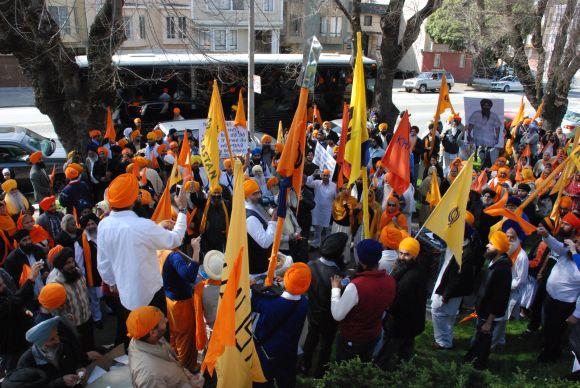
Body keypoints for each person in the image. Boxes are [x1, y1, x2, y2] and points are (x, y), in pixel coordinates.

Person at [97, 173, 188, 314]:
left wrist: (112, 283)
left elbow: (103, 263)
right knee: (157, 333)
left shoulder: (104, 224)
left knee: (134, 331)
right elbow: (175, 239)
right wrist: (182, 209)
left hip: (124, 296)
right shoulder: (142, 226)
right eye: (138, 193)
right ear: (133, 200)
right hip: (150, 296)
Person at [330, 239, 396, 362]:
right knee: (363, 367)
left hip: (353, 338)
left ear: (360, 259)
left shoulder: (356, 286)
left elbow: (337, 315)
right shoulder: (390, 281)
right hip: (373, 335)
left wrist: (335, 290)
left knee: (345, 370)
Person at [253, 263, 311, 388]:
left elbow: (254, 301)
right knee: (286, 381)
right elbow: (292, 296)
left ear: (286, 279)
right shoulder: (304, 303)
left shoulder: (268, 303)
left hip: (265, 353)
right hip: (288, 353)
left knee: (262, 382)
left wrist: (252, 286)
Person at [464, 231, 512, 369]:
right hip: (484, 311)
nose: (487, 245)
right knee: (478, 339)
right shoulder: (494, 261)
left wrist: (489, 321)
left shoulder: (502, 269)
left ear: (498, 248)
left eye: (491, 244)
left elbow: (499, 298)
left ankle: (477, 366)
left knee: (482, 342)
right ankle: (472, 362)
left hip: (489, 315)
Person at [376, 237, 427, 368]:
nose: (403, 257)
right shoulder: (412, 268)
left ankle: (382, 372)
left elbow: (398, 301)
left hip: (401, 322)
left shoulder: (411, 277)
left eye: (407, 254)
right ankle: (404, 369)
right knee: (406, 349)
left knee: (389, 350)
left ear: (415, 255)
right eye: (401, 253)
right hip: (411, 321)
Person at [302, 233, 348, 377]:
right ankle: (320, 372)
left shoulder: (311, 265)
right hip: (329, 315)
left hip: (313, 311)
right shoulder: (337, 274)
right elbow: (341, 293)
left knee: (311, 337)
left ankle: (304, 365)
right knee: (326, 344)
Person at [127, 306, 204, 388]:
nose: (166, 320)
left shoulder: (147, 338)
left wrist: (188, 376)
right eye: (162, 321)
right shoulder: (151, 377)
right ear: (153, 333)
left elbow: (172, 361)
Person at [537, 222, 580, 363]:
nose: (576, 245)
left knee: (555, 329)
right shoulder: (566, 253)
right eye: (576, 243)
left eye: (579, 244)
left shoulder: (575, 257)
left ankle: (549, 355)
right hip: (550, 296)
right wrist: (546, 235)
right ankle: (551, 348)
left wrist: (574, 251)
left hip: (564, 303)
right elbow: (555, 245)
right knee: (548, 325)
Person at [159, 233, 201, 373]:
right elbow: (189, 276)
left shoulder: (159, 251)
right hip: (181, 302)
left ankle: (175, 362)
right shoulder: (173, 256)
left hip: (169, 299)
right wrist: (196, 250)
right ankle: (186, 369)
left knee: (175, 334)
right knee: (185, 337)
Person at [17, 317, 89, 387]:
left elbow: (76, 361)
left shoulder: (64, 343)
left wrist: (79, 369)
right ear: (41, 343)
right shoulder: (26, 362)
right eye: (52, 339)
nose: (58, 340)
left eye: (57, 335)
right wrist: (60, 382)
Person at [47, 247, 94, 352]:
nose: (72, 264)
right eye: (68, 263)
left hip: (86, 320)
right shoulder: (54, 282)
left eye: (72, 261)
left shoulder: (77, 272)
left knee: (91, 350)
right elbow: (54, 310)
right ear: (60, 265)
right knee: (79, 354)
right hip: (71, 328)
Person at [0, 262, 42, 373]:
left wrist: (24, 310)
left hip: (21, 338)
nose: (4, 286)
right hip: (10, 347)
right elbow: (14, 302)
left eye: (3, 283)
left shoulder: (4, 292)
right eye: (0, 285)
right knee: (18, 372)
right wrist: (31, 280)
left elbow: (14, 302)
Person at [492, 220, 529, 347]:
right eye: (506, 236)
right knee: (497, 315)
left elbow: (521, 280)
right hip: (500, 290)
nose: (509, 239)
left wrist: (505, 286)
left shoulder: (522, 257)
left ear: (518, 237)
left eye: (512, 237)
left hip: (510, 292)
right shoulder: (505, 251)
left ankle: (498, 341)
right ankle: (499, 339)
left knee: (502, 318)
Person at [74, 213, 103, 329]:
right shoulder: (80, 242)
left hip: (104, 271)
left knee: (105, 295)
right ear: (84, 227)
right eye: (88, 224)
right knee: (94, 298)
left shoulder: (101, 235)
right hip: (92, 274)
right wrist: (84, 278)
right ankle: (97, 318)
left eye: (93, 223)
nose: (91, 226)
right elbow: (79, 262)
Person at [244, 179, 276, 277]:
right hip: (258, 269)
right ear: (246, 197)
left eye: (259, 192)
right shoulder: (250, 218)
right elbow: (265, 242)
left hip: (263, 263)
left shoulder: (254, 206)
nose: (259, 196)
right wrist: (273, 221)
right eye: (254, 194)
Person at [4, 229, 47, 296]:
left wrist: (45, 272)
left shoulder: (38, 250)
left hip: (45, 289)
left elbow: (45, 265)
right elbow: (14, 283)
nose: (28, 242)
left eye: (29, 238)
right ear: (19, 243)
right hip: (29, 296)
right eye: (24, 240)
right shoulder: (11, 260)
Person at [306, 169, 336, 249]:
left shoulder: (334, 185)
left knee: (328, 229)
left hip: (328, 211)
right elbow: (307, 182)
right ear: (321, 176)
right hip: (317, 210)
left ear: (329, 176)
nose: (325, 177)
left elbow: (336, 198)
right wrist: (313, 175)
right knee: (317, 229)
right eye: (324, 175)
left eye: (327, 176)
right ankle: (316, 244)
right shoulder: (317, 183)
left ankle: (327, 246)